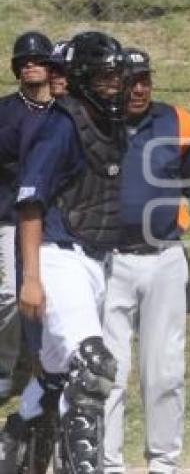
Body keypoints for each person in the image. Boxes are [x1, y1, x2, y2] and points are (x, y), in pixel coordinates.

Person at [102, 47, 190, 474]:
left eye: (145, 80)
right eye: (129, 80)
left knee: (165, 370)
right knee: (107, 371)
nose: (138, 88)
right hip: (107, 260)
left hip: (165, 257)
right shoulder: (94, 122)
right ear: (112, 81)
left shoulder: (180, 122)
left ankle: (164, 462)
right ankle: (107, 462)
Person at [15, 31, 131, 472]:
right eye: (104, 78)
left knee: (57, 378)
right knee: (93, 364)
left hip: (96, 261)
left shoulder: (107, 123)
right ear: (82, 79)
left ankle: (14, 448)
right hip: (57, 255)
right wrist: (31, 276)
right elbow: (30, 202)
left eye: (117, 77)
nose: (115, 86)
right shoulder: (61, 125)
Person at [0, 31, 55, 403]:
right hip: (8, 216)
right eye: (25, 60)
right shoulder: (4, 111)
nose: (32, 65)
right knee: (7, 296)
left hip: (56, 218)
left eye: (38, 59)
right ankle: (7, 368)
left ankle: (48, 364)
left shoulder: (63, 110)